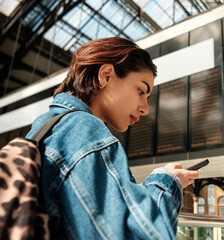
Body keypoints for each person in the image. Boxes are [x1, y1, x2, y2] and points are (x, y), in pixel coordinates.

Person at [26, 37, 199, 239]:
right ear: (106, 76)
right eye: (141, 91)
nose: (145, 109)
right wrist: (166, 182)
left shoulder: (47, 126)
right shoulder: (84, 130)